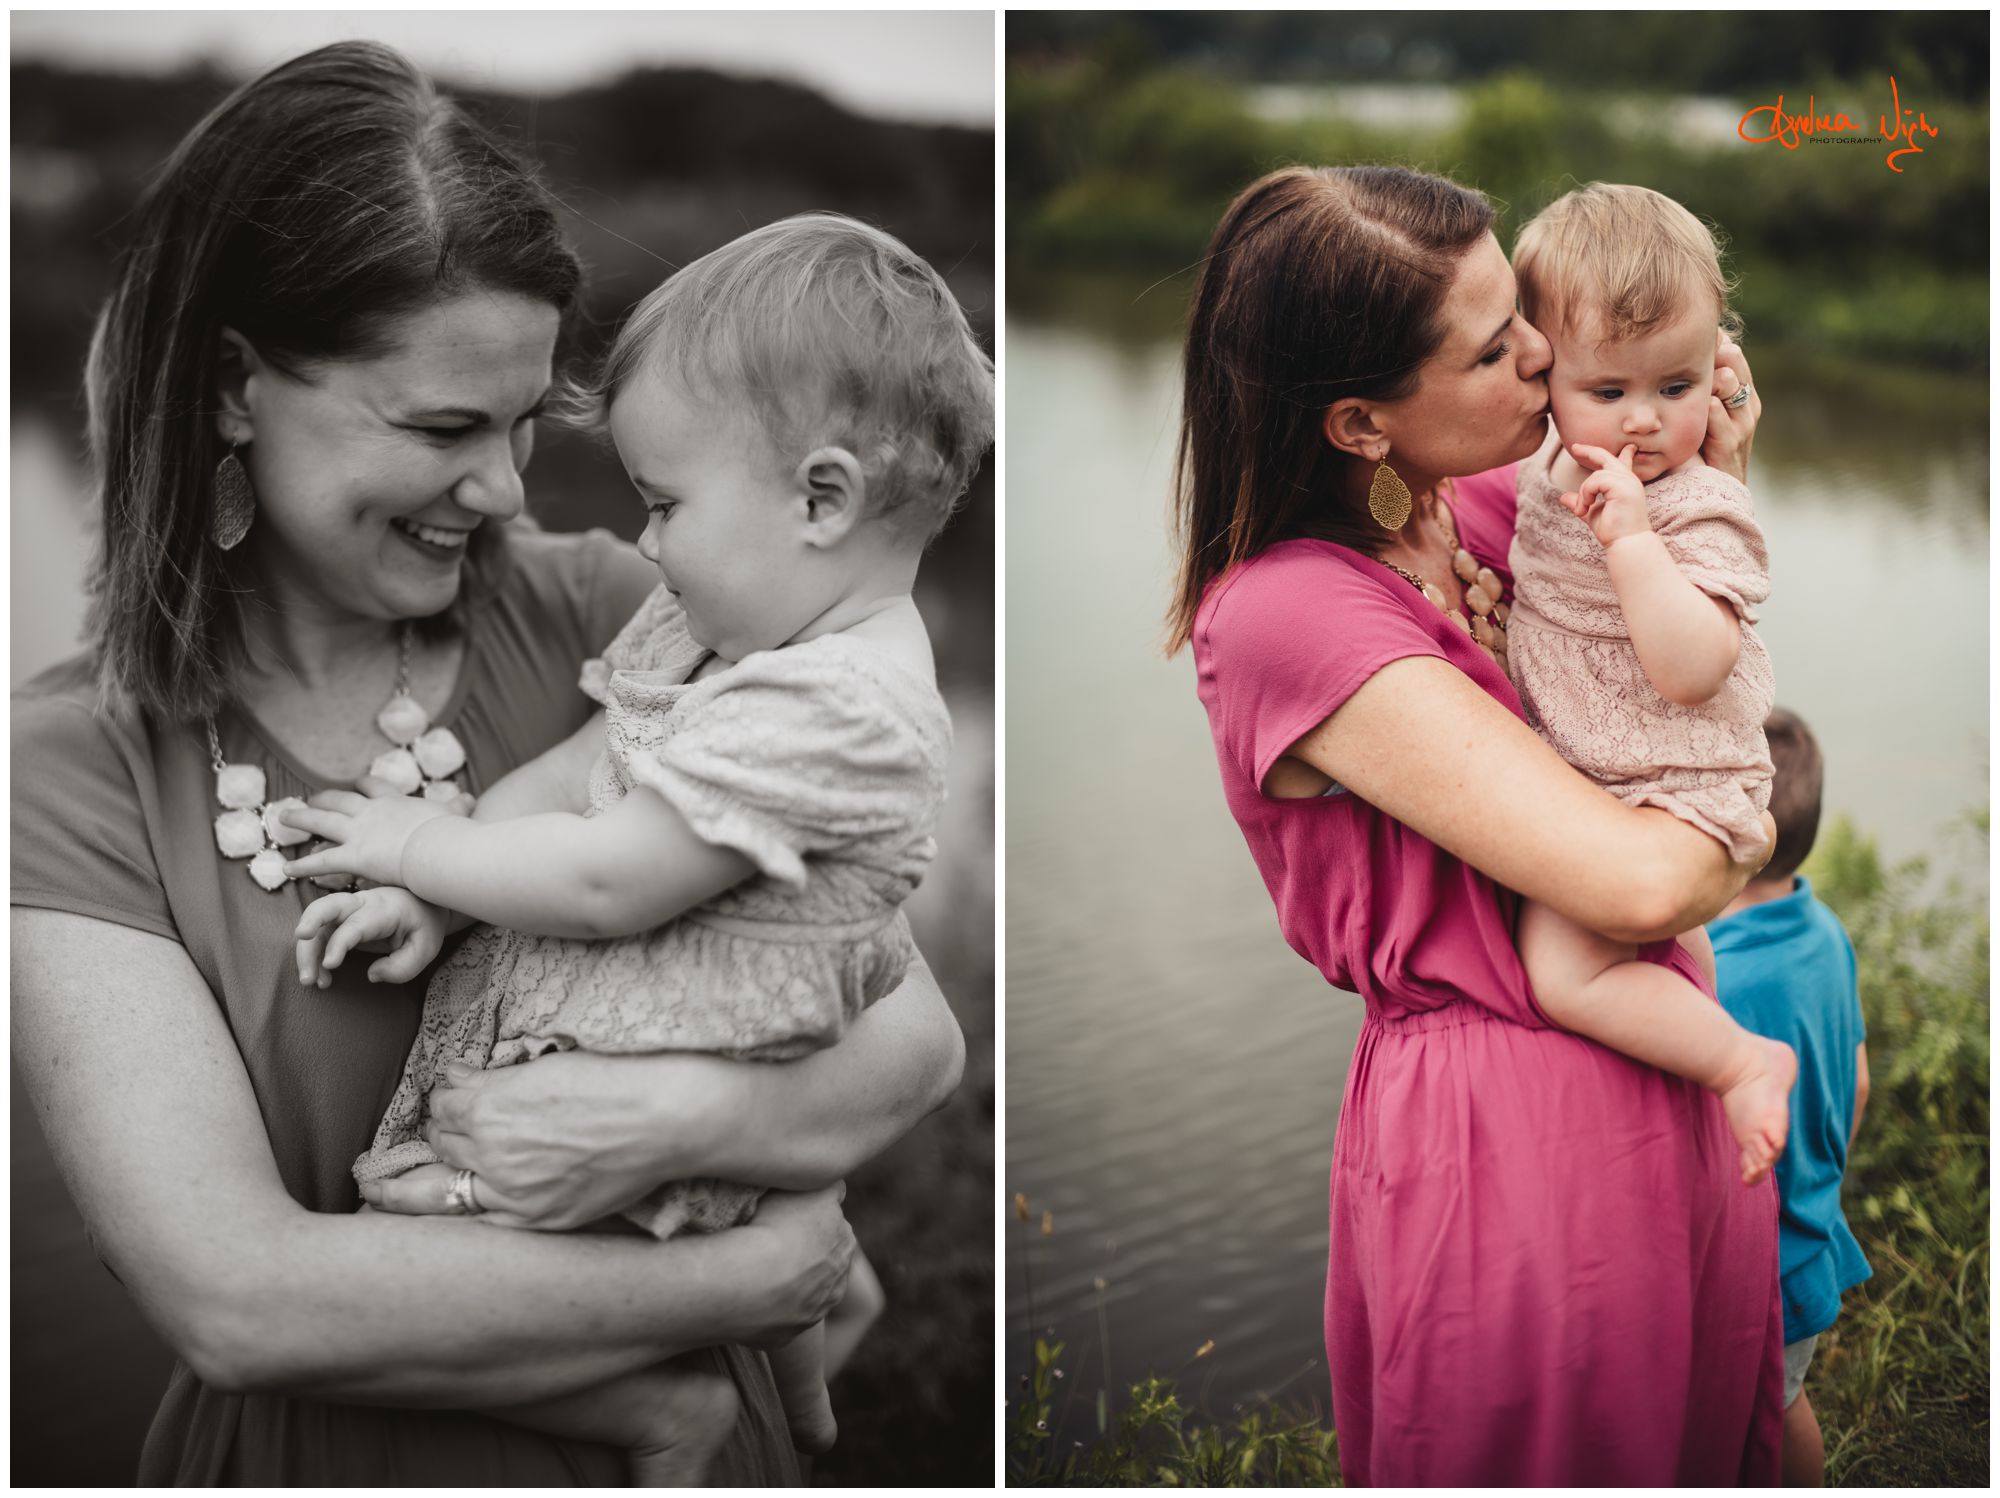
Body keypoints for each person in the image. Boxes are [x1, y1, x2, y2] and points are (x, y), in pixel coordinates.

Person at [11, 42, 964, 1486]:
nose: (507, 489)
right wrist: (752, 1279)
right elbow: (238, 1296)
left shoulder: (634, 622)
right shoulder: (71, 768)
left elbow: (909, 1032)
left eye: (524, 424)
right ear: (228, 389)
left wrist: (677, 1119)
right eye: (444, 427)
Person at [280, 212, 993, 1482]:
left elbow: (611, 877)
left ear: (820, 497)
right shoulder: (726, 624)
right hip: (644, 1065)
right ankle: (807, 1393)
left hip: (656, 1079)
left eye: (664, 504)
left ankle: (662, 1419)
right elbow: (582, 770)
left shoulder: (836, 706)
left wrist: (408, 846)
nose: (647, 542)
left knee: (415, 1215)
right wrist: (448, 889)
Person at [1169, 164, 1783, 1484]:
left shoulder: (1492, 513)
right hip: (1512, 1131)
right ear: (1360, 423)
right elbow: (1629, 883)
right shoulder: (1291, 614)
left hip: (1668, 1053)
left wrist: (1703, 427)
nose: (1546, 354)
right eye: (1498, 344)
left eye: (1527, 310)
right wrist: (1732, 828)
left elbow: (1685, 596)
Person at [1504, 183, 1795, 1185]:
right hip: (1600, 771)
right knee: (1676, 961)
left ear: (1715, 368)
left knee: (1564, 970)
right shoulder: (1542, 464)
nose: (1641, 424)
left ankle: (1740, 1062)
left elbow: (1688, 667)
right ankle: (1698, 1068)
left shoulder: (1696, 507)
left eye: (1673, 388)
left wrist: (1631, 538)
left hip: (1672, 778)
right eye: (1607, 391)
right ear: (1538, 375)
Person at [1708, 708, 1873, 1486]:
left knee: (1745, 1412)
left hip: (1752, 1253)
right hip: (1813, 1223)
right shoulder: (1827, 931)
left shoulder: (1715, 974)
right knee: (1784, 1401)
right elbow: (1859, 1080)